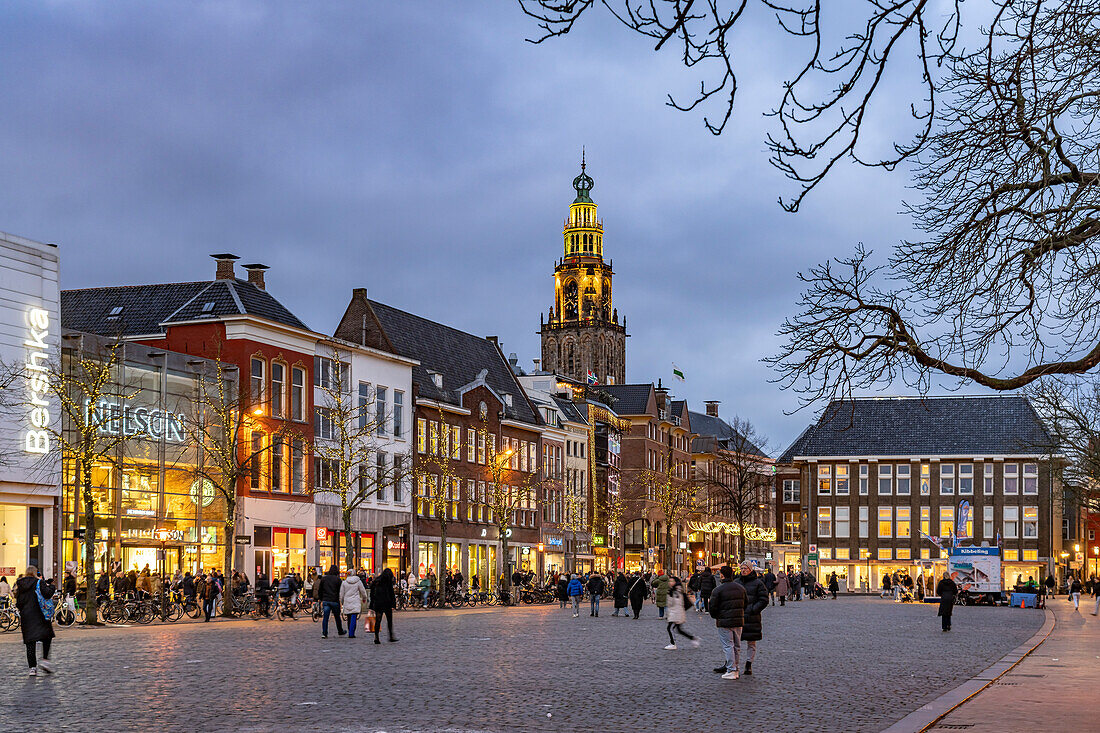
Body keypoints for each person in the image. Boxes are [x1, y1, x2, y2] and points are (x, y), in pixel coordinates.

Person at [709, 565, 746, 680]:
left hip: (724, 621)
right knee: (737, 646)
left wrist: (717, 616)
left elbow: (712, 607)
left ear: (722, 575)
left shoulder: (718, 590)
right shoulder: (741, 588)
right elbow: (746, 603)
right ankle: (736, 668)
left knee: (728, 645)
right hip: (738, 620)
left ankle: (731, 669)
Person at [16, 567, 55, 676]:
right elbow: (47, 594)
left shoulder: (20, 585)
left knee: (30, 642)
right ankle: (45, 660)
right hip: (40, 615)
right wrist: (51, 586)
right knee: (47, 637)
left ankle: (32, 668)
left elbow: (18, 602)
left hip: (27, 617)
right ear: (35, 573)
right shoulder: (39, 582)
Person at [735, 562, 768, 675]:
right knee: (735, 641)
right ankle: (733, 663)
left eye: (745, 568)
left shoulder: (758, 583)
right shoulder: (736, 582)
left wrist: (753, 609)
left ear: (750, 570)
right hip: (738, 616)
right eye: (742, 568)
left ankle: (749, 664)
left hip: (752, 617)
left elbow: (764, 599)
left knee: (751, 642)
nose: (743, 570)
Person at [663, 576, 699, 650]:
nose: (670, 583)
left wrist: (670, 615)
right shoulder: (676, 590)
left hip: (676, 613)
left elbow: (674, 604)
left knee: (670, 628)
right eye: (669, 581)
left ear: (676, 582)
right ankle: (693, 638)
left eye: (672, 581)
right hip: (676, 613)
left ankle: (673, 644)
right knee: (679, 630)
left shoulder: (675, 591)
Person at [370, 568, 398, 643]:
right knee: (389, 621)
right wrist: (393, 604)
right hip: (387, 603)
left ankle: (376, 637)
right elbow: (391, 594)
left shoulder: (376, 581)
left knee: (378, 620)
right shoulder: (388, 582)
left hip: (378, 603)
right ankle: (391, 636)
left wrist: (371, 604)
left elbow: (372, 594)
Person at [318, 565, 346, 638]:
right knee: (337, 617)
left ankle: (324, 633)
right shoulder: (338, 580)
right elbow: (340, 591)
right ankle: (340, 631)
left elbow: (320, 590)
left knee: (325, 618)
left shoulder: (324, 579)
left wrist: (320, 598)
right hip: (334, 600)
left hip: (326, 600)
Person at [339, 570, 369, 639]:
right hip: (355, 601)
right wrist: (364, 598)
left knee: (349, 617)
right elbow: (363, 591)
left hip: (347, 601)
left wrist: (342, 601)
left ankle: (350, 631)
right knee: (354, 617)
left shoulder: (344, 582)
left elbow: (341, 594)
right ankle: (351, 633)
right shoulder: (358, 581)